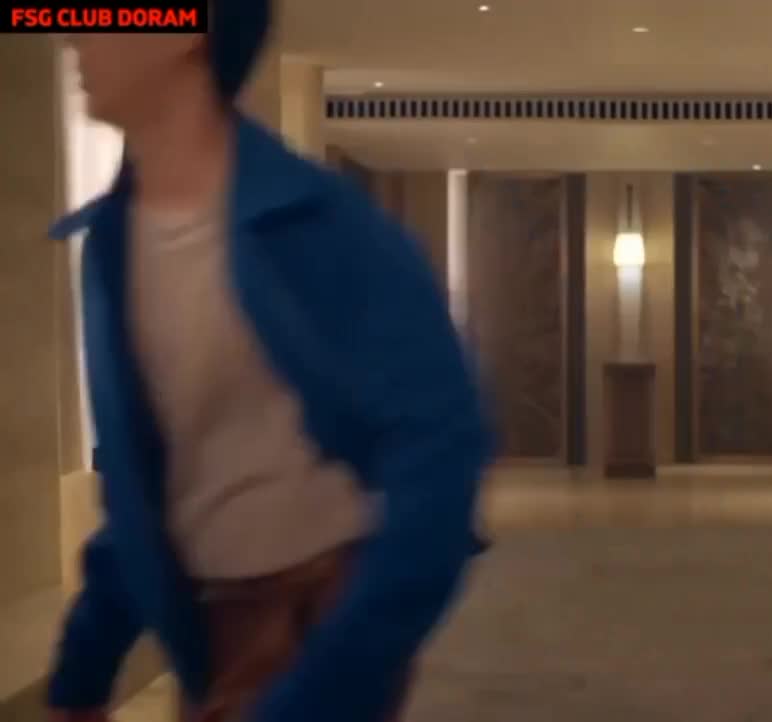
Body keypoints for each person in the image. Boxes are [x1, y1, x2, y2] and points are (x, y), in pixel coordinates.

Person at [47, 2, 495, 721]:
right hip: (206, 630)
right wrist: (84, 667)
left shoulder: (324, 223)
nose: (73, 31)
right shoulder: (111, 247)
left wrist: (347, 665)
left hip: (316, 619)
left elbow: (442, 450)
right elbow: (147, 481)